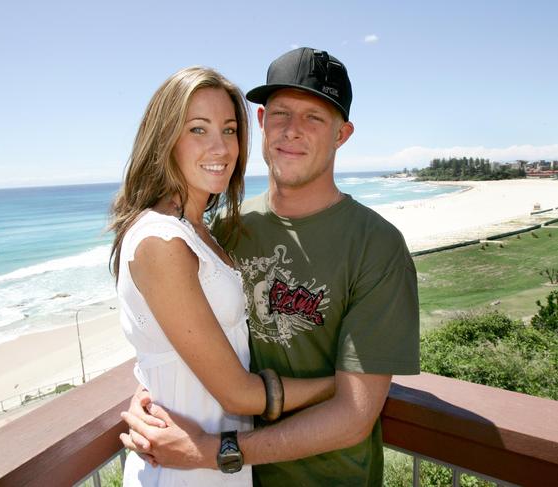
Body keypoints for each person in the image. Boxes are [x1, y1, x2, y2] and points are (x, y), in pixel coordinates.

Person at [120, 48, 420, 486]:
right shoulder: (222, 233)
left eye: (314, 117)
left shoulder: (377, 246)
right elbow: (175, 335)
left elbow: (354, 417)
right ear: (260, 123)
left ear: (343, 134)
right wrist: (151, 393)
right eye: (280, 114)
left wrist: (218, 452)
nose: (292, 131)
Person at [110, 66, 336, 486]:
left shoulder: (202, 233)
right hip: (183, 468)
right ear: (165, 138)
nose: (220, 147)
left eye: (230, 130)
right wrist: (345, 386)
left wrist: (150, 386)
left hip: (214, 460)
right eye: (198, 129)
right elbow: (240, 393)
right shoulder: (162, 241)